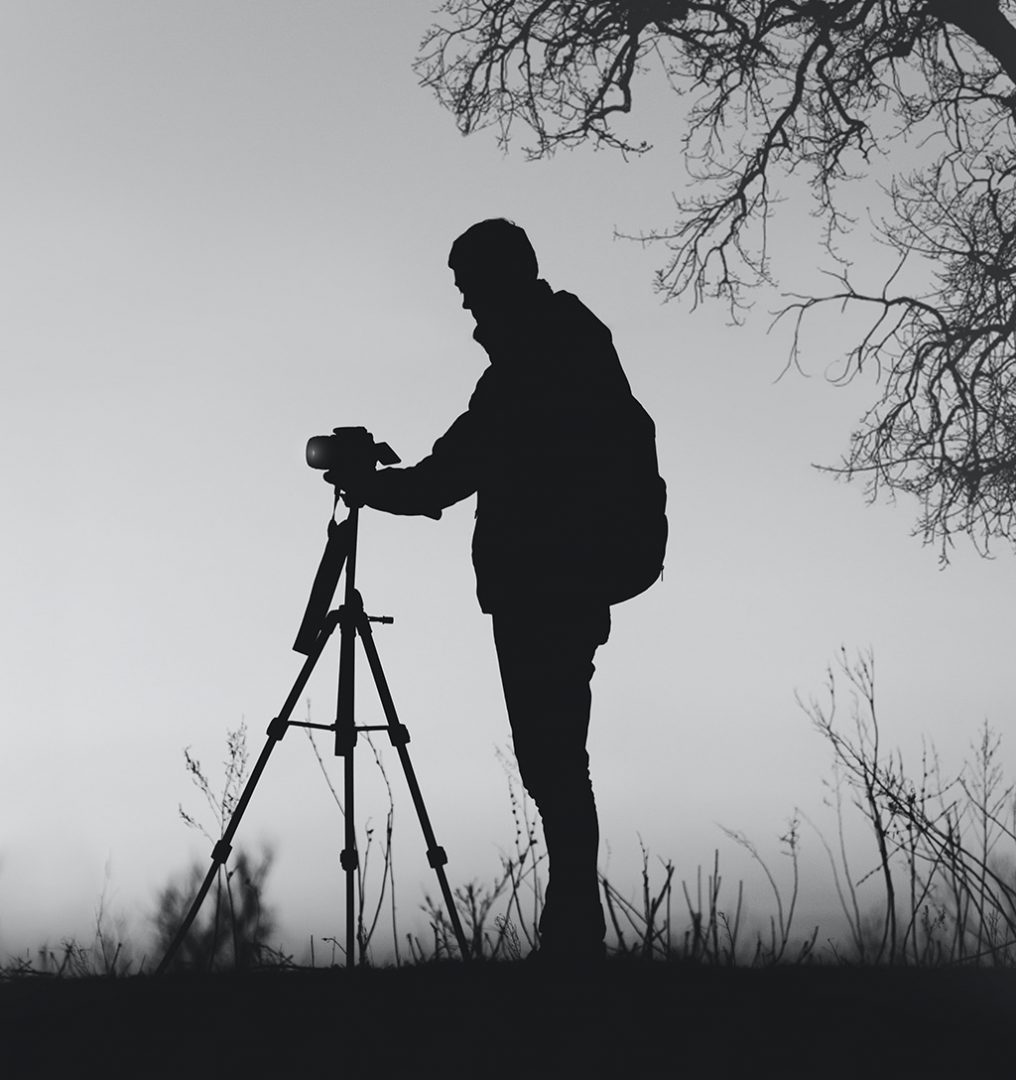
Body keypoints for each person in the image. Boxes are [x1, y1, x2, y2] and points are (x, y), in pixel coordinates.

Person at [347, 218, 665, 962]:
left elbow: (450, 475)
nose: (465, 308)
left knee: (553, 762)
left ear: (501, 280)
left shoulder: (536, 364)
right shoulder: (567, 347)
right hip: (562, 580)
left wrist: (371, 489)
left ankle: (573, 943)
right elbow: (458, 466)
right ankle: (573, 937)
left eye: (468, 289)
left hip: (547, 583)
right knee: (556, 761)